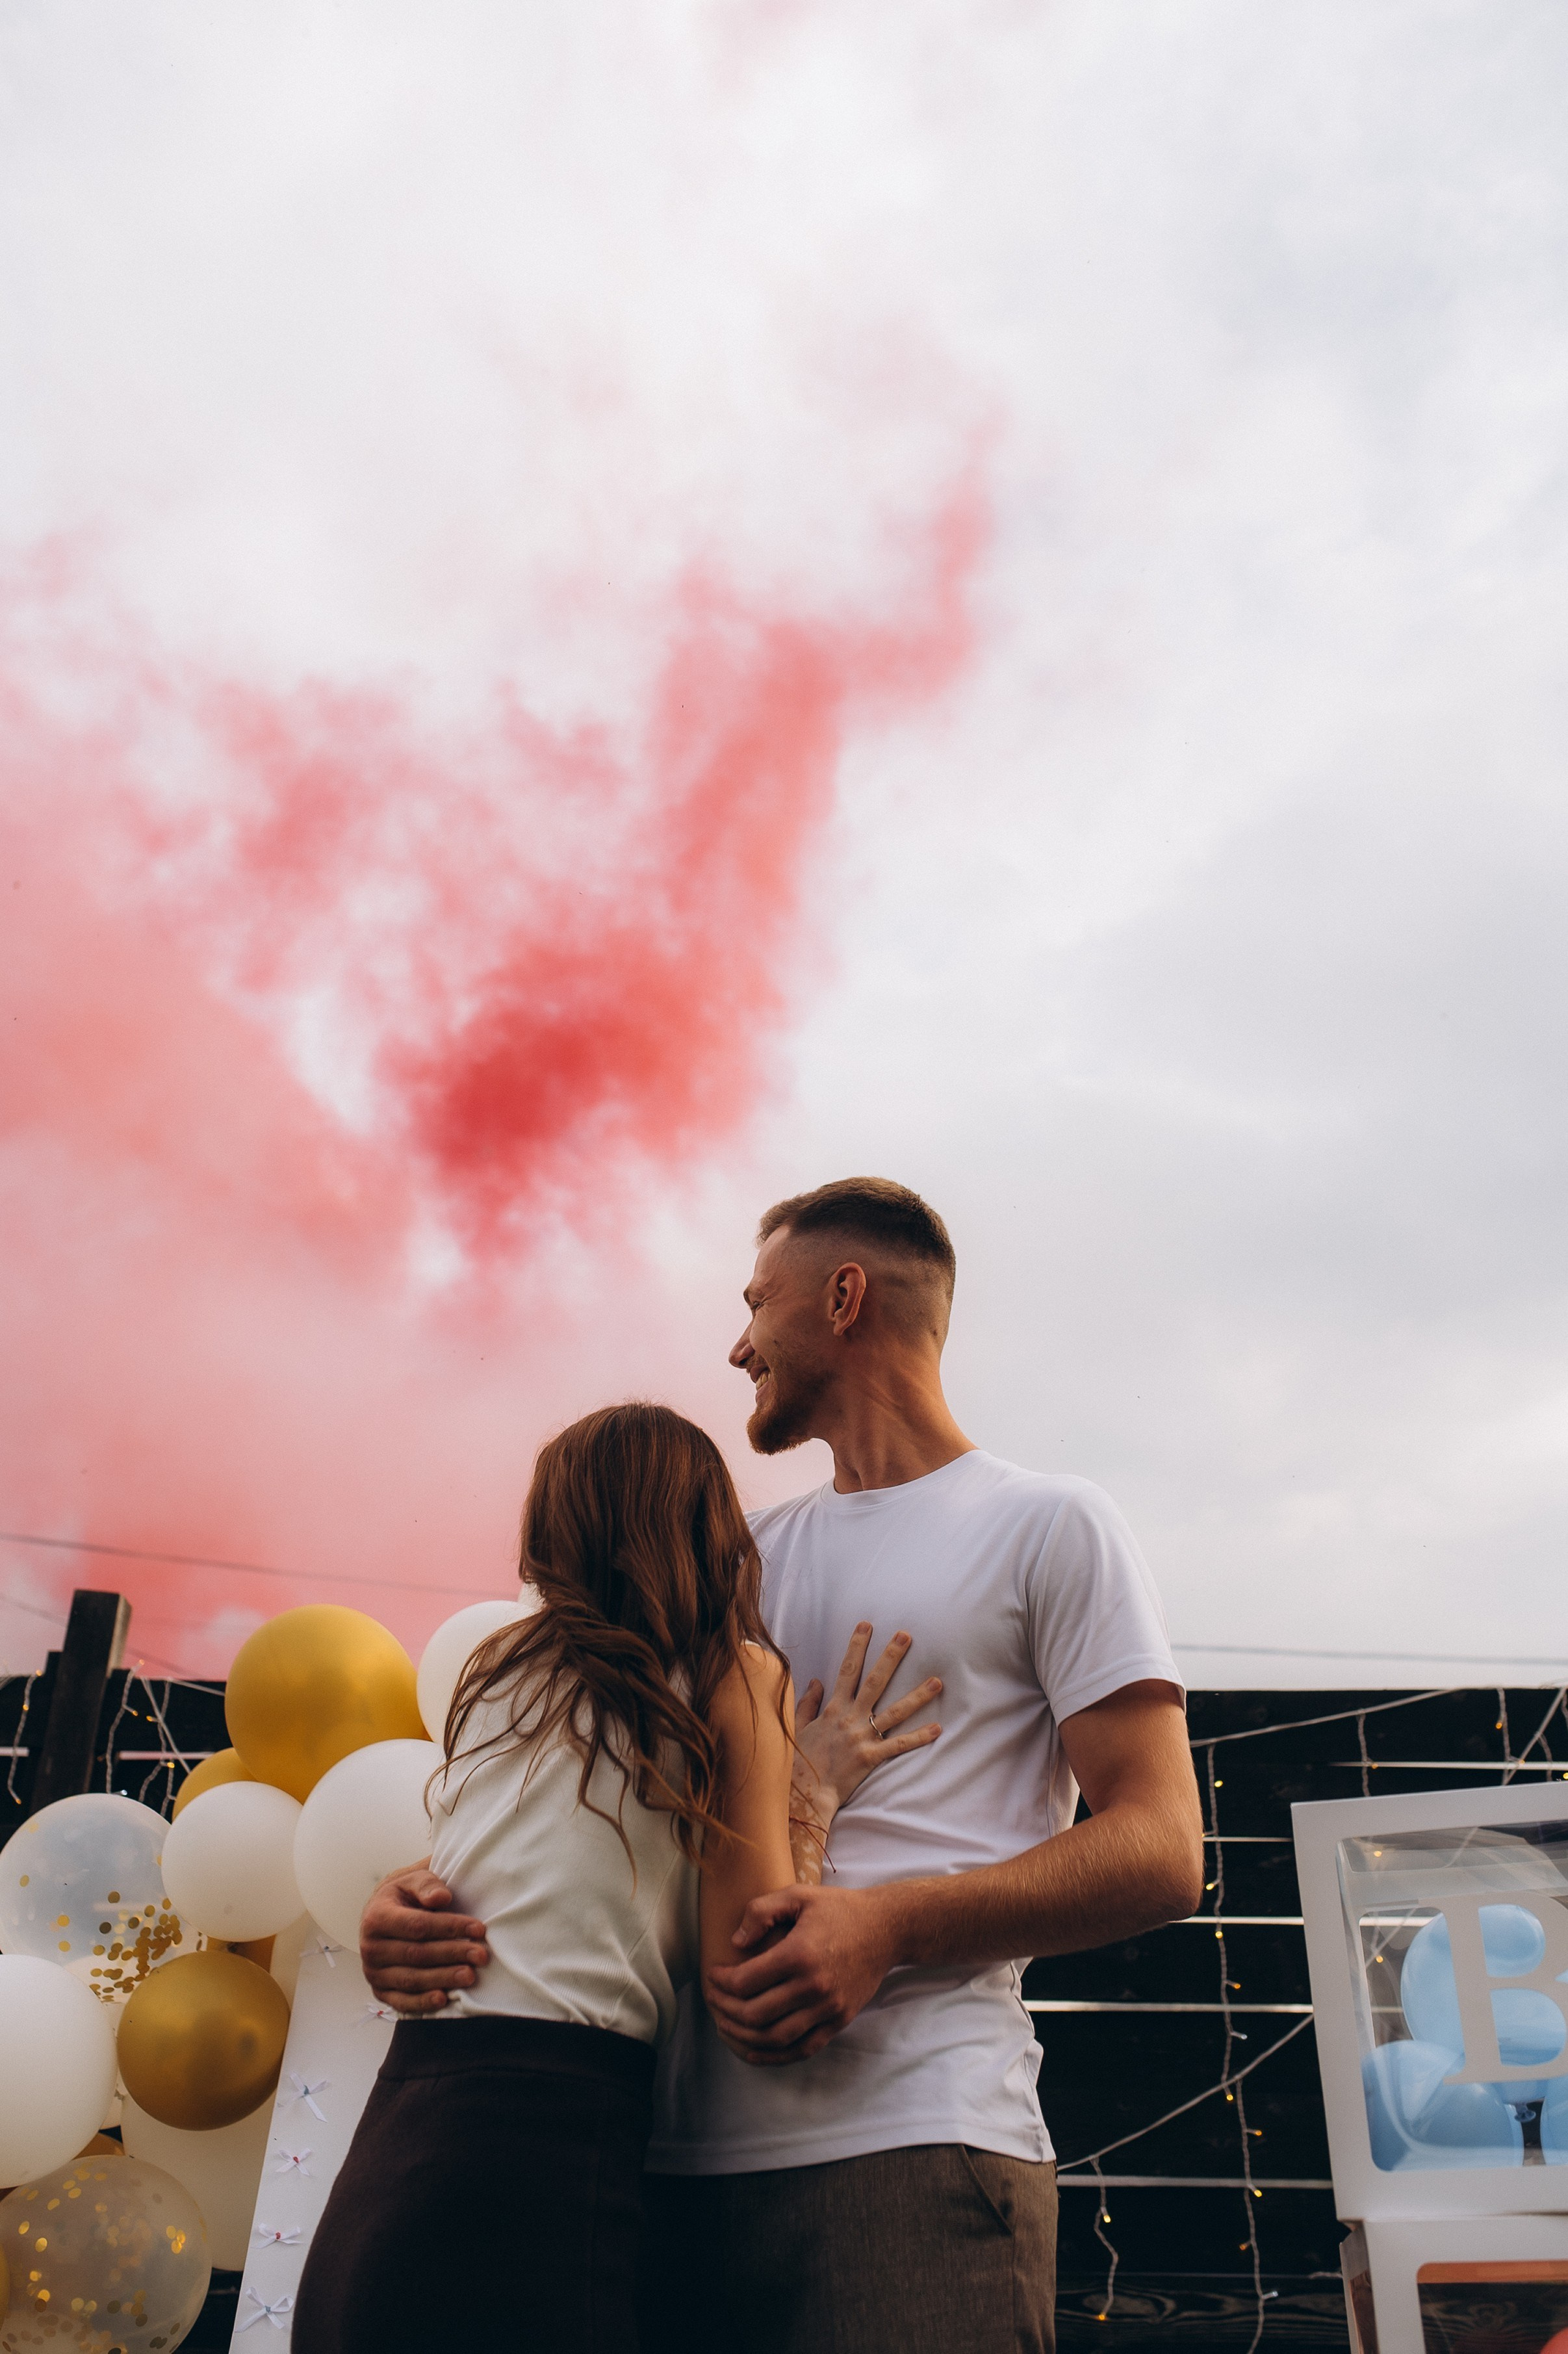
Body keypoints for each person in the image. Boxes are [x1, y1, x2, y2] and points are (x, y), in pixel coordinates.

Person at [362, 1178, 1205, 2354]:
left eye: (757, 1304)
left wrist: (886, 1926)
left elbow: (1163, 1850)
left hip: (907, 2148)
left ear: (843, 1295)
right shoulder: (732, 1561)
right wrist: (421, 1891)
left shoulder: (1049, 1525)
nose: (736, 1342)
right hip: (653, 2169)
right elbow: (605, 1798)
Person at [294, 1400, 938, 2354]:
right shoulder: (734, 1674)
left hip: (395, 2142)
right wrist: (812, 1787)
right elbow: (746, 1960)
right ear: (707, 1528)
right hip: (545, 2150)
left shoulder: (499, 1670)